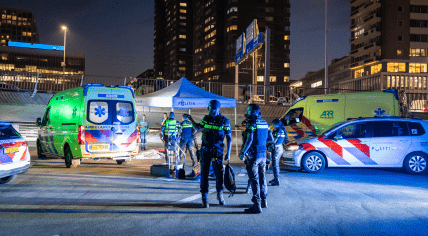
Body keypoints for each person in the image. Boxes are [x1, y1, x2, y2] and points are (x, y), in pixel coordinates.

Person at [190, 100, 232, 208]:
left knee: (219, 174)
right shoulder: (206, 118)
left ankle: (220, 195)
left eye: (211, 108)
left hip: (217, 152)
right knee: (204, 174)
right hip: (205, 151)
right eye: (208, 107)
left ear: (217, 108)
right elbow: (198, 127)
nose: (209, 110)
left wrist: (229, 153)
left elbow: (229, 138)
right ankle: (205, 198)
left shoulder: (224, 121)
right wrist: (190, 119)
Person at [239, 104, 273, 214]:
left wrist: (242, 152)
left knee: (254, 180)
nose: (247, 112)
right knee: (263, 179)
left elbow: (249, 139)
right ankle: (264, 201)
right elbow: (270, 139)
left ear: (253, 111)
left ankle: (256, 205)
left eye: (248, 110)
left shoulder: (251, 123)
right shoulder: (265, 123)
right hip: (263, 155)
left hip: (253, 156)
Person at [269, 119, 287, 186]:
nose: (273, 125)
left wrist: (267, 142)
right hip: (277, 148)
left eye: (273, 124)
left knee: (275, 164)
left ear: (277, 124)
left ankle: (276, 180)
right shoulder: (278, 130)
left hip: (277, 149)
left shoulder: (279, 130)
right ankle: (275, 178)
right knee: (274, 164)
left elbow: (274, 140)